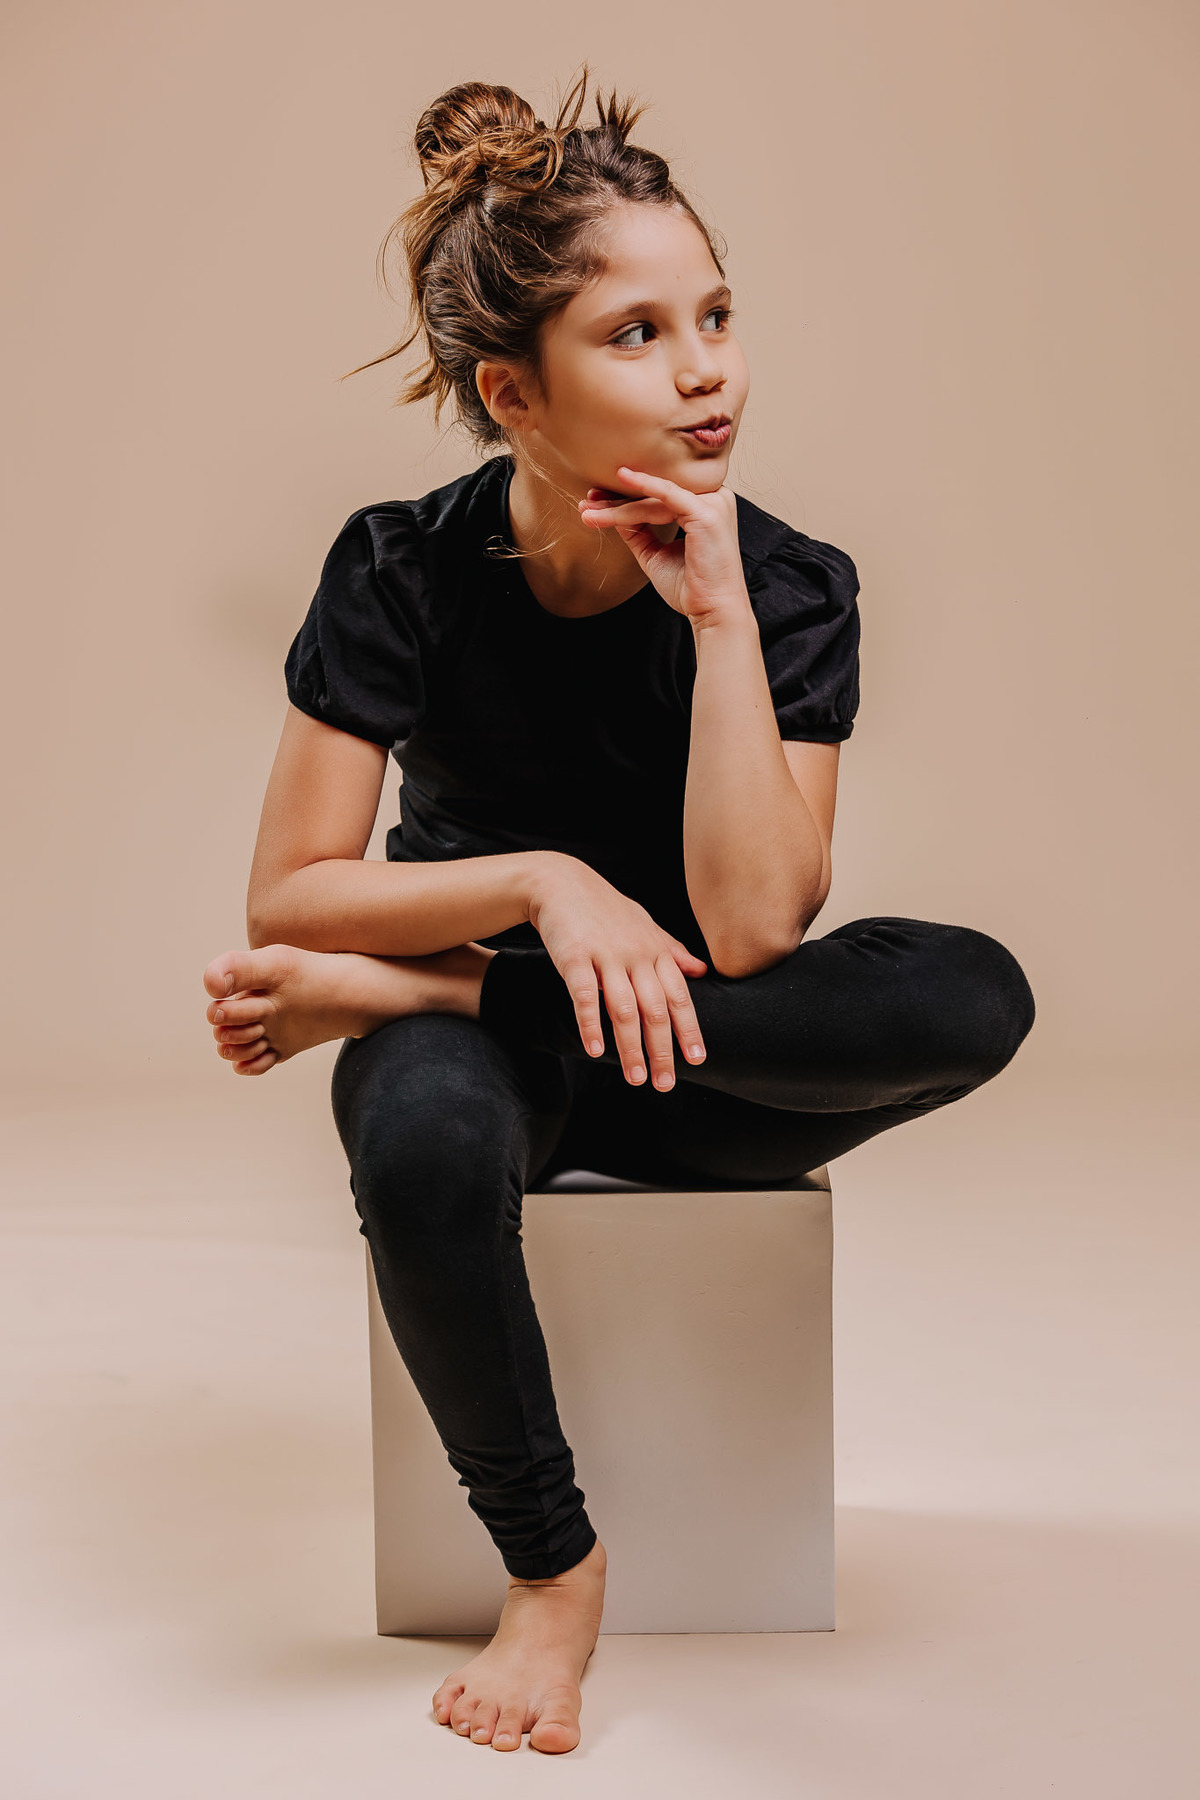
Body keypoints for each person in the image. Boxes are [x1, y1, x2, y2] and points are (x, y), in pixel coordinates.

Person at [201, 70, 1036, 1756]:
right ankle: (551, 1573)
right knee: (422, 1155)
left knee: (973, 991)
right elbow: (293, 892)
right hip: (506, 1072)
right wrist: (546, 884)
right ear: (513, 392)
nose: (705, 367)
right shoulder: (399, 568)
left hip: (708, 1053)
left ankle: (431, 1001)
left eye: (716, 315)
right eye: (638, 334)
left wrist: (720, 620)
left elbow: (754, 934)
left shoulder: (788, 585)